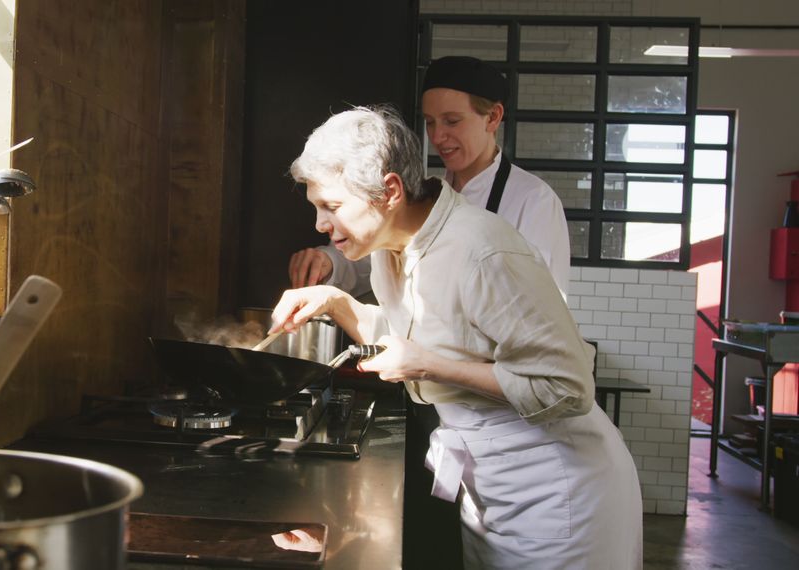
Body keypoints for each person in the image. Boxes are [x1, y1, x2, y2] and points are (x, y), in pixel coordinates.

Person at [271, 106, 641, 568]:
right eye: (317, 208)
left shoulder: (482, 250)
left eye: (332, 207)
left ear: (389, 191)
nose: (320, 226)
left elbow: (567, 387)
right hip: (492, 491)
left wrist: (428, 366)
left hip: (560, 496)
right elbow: (424, 339)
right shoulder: (395, 248)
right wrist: (337, 301)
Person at [288, 55, 570, 298]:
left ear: (493, 117)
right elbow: (379, 249)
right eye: (430, 122)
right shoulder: (429, 192)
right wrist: (331, 261)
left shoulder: (534, 201)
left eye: (452, 121)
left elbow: (544, 314)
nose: (437, 136)